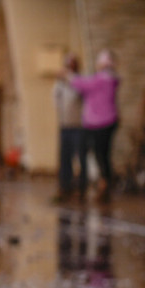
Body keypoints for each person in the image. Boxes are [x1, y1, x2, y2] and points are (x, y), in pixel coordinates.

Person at [69, 49, 119, 202]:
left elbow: (82, 84)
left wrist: (69, 75)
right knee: (102, 154)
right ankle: (103, 182)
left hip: (99, 123)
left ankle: (102, 183)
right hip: (104, 121)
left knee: (98, 154)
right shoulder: (109, 79)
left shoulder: (102, 80)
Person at [53, 53, 85, 202]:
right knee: (64, 158)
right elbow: (55, 101)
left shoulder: (80, 81)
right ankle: (65, 186)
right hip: (65, 125)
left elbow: (80, 93)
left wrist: (69, 77)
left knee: (80, 158)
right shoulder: (60, 85)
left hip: (79, 126)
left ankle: (80, 187)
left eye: (72, 66)